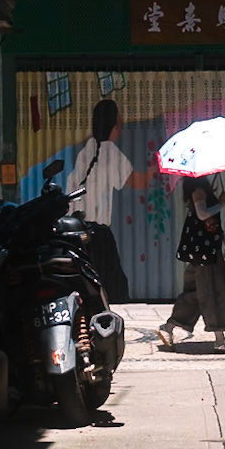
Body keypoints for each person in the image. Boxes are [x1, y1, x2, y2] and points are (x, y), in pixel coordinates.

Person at [69, 98, 148, 303]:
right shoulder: (109, 151)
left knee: (90, 281)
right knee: (114, 285)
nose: (121, 124)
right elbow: (137, 182)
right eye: (119, 120)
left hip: (78, 231)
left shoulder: (87, 150)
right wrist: (158, 166)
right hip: (97, 234)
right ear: (113, 124)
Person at [158, 172, 225, 350]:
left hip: (200, 250)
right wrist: (221, 204)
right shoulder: (198, 189)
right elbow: (203, 215)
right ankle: (220, 340)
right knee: (214, 290)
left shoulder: (201, 189)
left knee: (194, 293)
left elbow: (210, 223)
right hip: (205, 252)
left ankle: (169, 327)